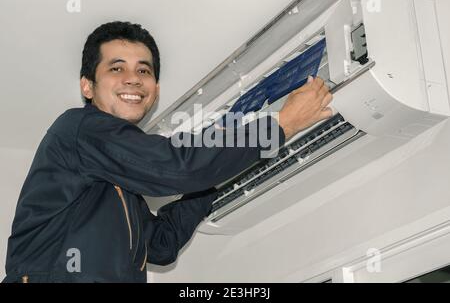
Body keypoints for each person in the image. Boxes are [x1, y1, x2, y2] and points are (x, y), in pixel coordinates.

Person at [3, 21, 332, 283]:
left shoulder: (119, 184)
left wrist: (214, 180)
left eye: (144, 71)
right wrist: (280, 125)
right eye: (117, 68)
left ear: (155, 90)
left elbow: (160, 245)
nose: (134, 79)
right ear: (87, 86)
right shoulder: (79, 128)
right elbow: (177, 167)